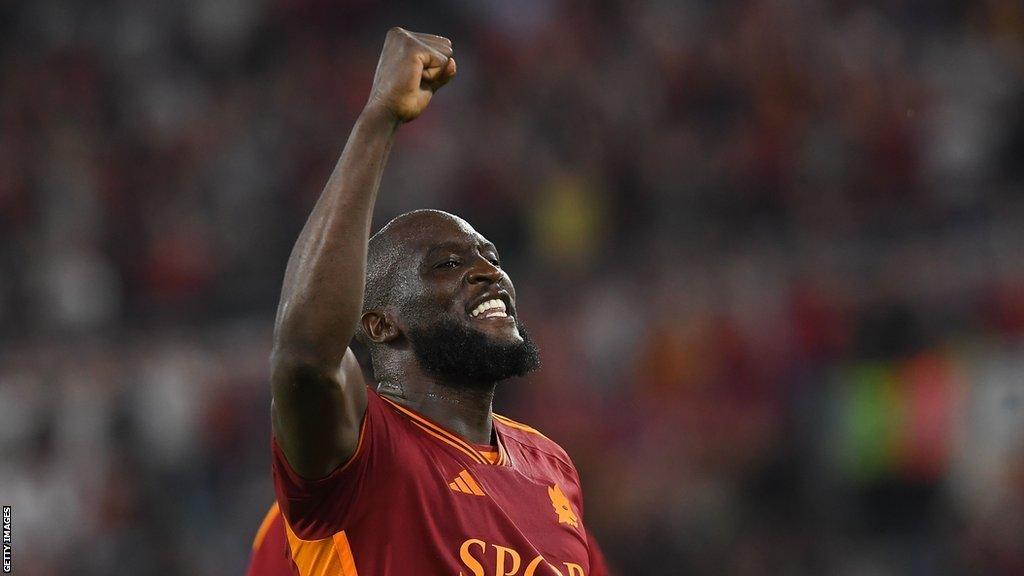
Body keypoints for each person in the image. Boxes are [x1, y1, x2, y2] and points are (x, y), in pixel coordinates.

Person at [268, 27, 606, 575]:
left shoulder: (552, 467)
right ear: (378, 324)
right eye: (448, 265)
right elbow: (306, 355)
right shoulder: (360, 448)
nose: (487, 273)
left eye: (491, 258)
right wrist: (380, 116)